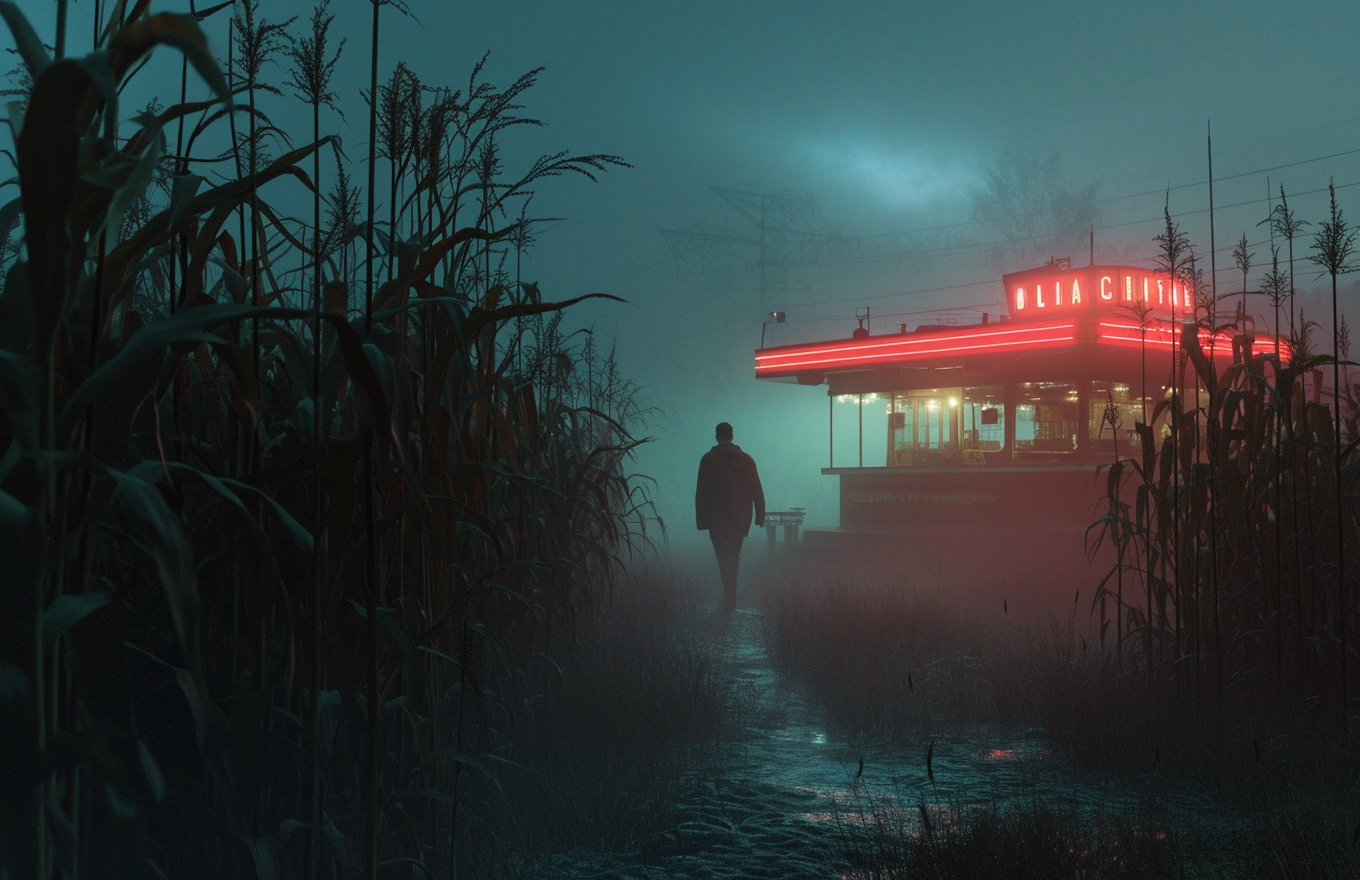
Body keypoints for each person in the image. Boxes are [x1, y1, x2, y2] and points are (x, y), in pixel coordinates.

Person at [695, 422, 765, 615]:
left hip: (716, 520)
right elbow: (756, 489)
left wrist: (701, 520)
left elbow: (702, 492)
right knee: (734, 556)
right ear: (732, 435)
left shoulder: (708, 460)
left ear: (716, 436)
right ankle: (730, 595)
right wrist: (760, 515)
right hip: (740, 518)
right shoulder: (746, 460)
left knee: (723, 557)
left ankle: (728, 594)